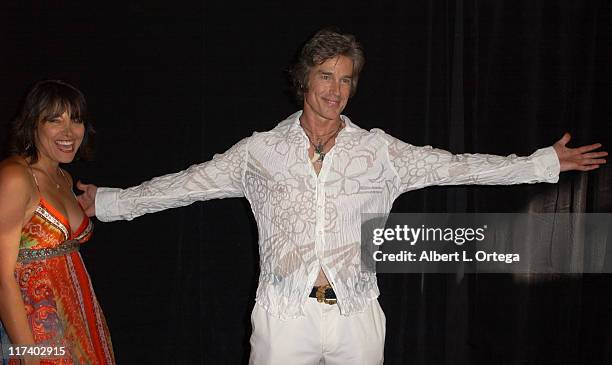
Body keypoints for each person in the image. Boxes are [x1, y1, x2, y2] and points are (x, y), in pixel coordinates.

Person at [77, 29, 607, 364]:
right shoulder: (259, 152)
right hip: (284, 319)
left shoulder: (379, 151)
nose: (335, 89)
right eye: (326, 76)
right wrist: (107, 202)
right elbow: (183, 185)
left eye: (346, 80)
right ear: (304, 79)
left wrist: (541, 163)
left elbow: (457, 165)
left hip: (356, 316)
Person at [0, 80, 115, 365]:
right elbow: (1, 278)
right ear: (33, 125)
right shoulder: (15, 176)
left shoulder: (63, 177)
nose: (69, 132)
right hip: (36, 328)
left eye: (76, 120)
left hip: (80, 319)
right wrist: (28, 353)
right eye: (54, 120)